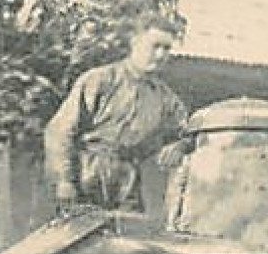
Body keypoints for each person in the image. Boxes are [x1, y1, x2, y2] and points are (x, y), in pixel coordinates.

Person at [43, 18, 189, 213]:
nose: (161, 54)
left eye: (166, 48)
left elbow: (187, 132)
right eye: (155, 46)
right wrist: (64, 181)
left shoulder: (165, 98)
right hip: (87, 173)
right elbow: (59, 132)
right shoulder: (100, 80)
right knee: (81, 236)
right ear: (135, 42)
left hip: (127, 179)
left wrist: (180, 145)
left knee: (130, 237)